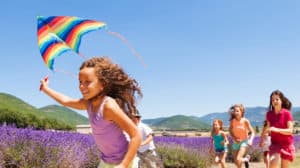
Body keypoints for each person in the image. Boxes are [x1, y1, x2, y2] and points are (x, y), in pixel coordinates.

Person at [40, 56, 142, 168]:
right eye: (80, 82)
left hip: (125, 162)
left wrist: (124, 165)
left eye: (87, 82)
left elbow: (136, 135)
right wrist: (46, 89)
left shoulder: (108, 106)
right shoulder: (88, 103)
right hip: (106, 162)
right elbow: (66, 101)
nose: (82, 86)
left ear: (103, 84)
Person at [259, 90, 295, 168]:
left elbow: (290, 131)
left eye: (277, 99)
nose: (275, 101)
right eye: (273, 100)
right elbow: (267, 127)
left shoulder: (287, 113)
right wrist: (262, 139)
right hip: (275, 144)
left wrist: (277, 130)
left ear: (281, 100)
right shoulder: (269, 114)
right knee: (272, 164)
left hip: (287, 145)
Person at [228, 104, 255, 168]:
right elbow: (230, 131)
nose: (235, 112)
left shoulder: (245, 121)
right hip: (235, 142)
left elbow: (253, 132)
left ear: (241, 111)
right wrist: (234, 138)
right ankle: (245, 160)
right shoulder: (232, 121)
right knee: (236, 162)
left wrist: (250, 140)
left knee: (238, 158)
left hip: (244, 142)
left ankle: (246, 159)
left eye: (237, 111)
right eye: (234, 111)